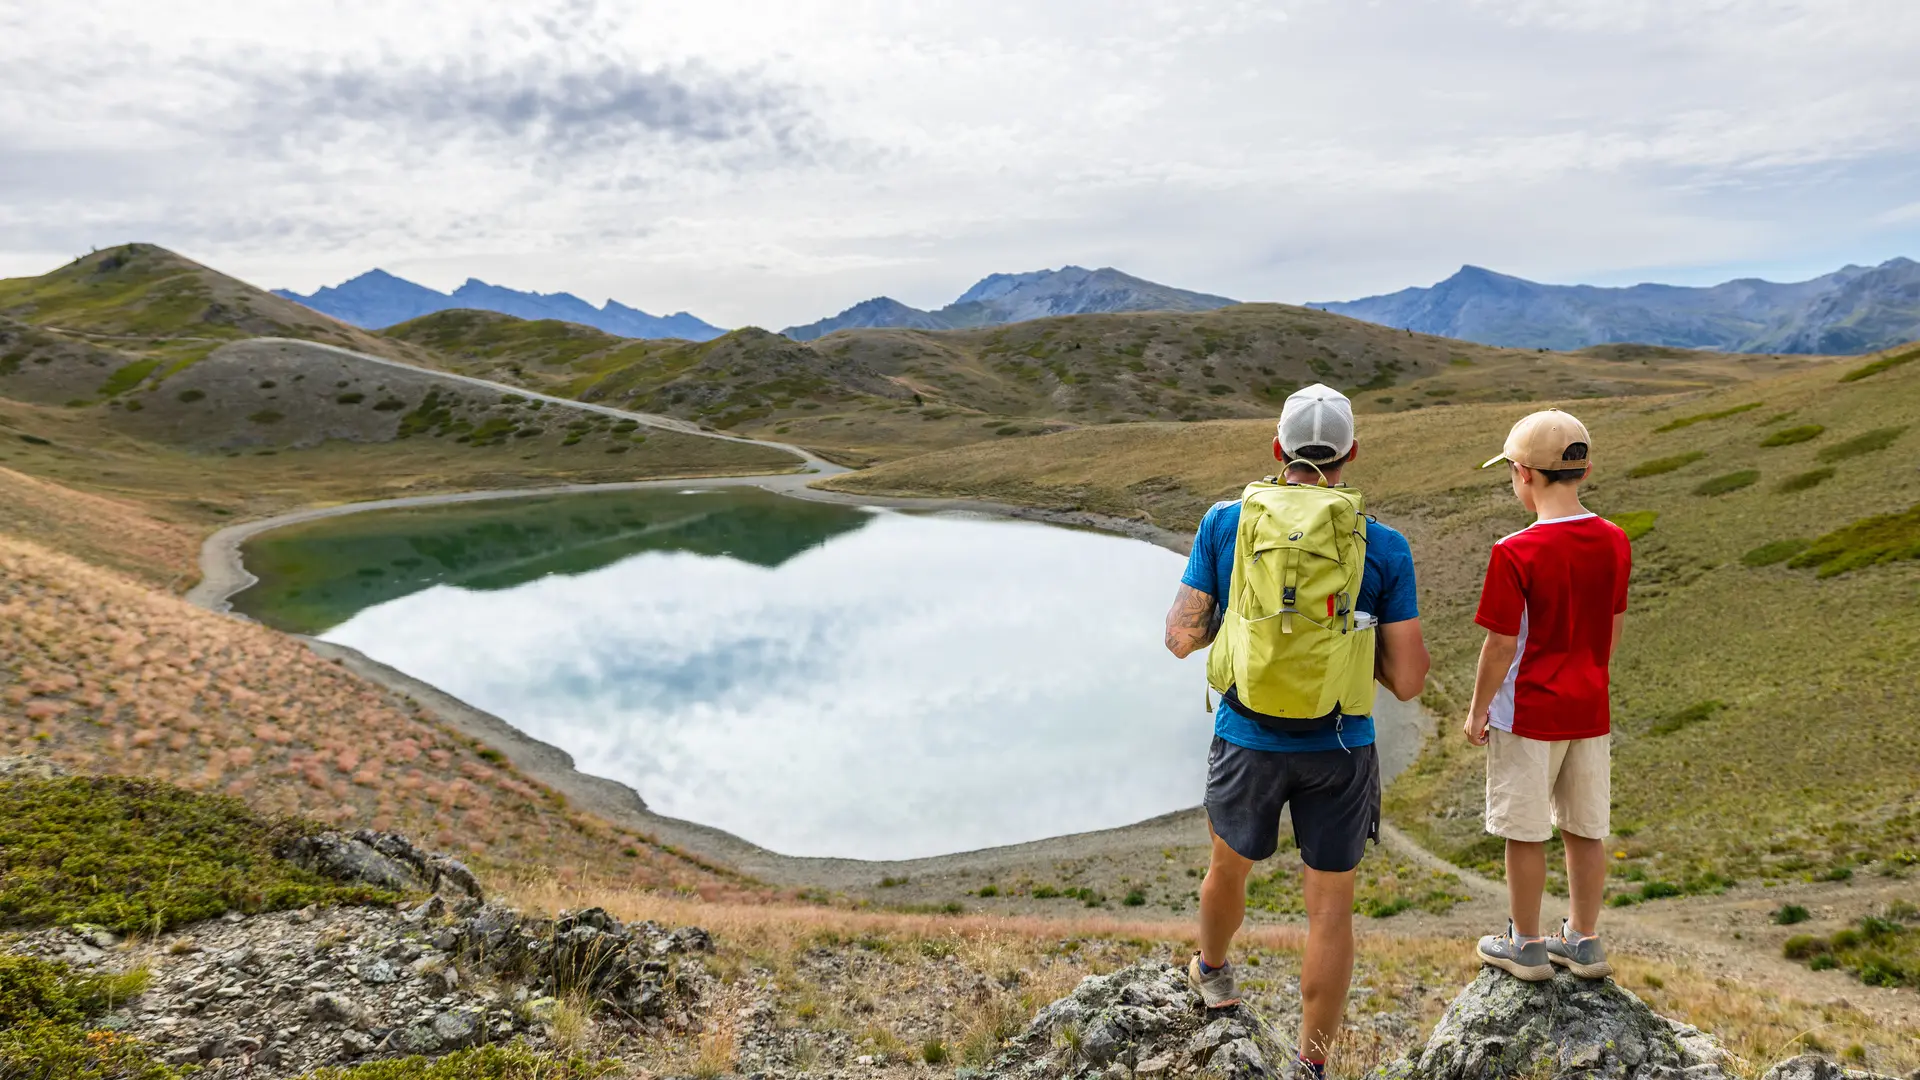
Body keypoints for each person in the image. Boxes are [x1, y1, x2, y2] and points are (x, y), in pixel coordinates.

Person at [1164, 383, 1429, 1080]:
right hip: (1341, 746)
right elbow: (1408, 682)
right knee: (1330, 911)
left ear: (1278, 451)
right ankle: (1311, 1063)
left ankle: (1213, 975)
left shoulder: (1226, 523)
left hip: (1246, 736)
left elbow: (1180, 639)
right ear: (1352, 454)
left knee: (1228, 868)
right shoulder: (1383, 545)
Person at [1462, 409, 1630, 982]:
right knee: (1586, 827)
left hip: (1528, 711)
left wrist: (1479, 708)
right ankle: (1584, 939)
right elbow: (1612, 627)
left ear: (1524, 474)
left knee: (1524, 831)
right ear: (1582, 470)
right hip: (1590, 708)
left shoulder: (1515, 551)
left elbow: (1500, 646)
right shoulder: (1614, 540)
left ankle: (1526, 943)